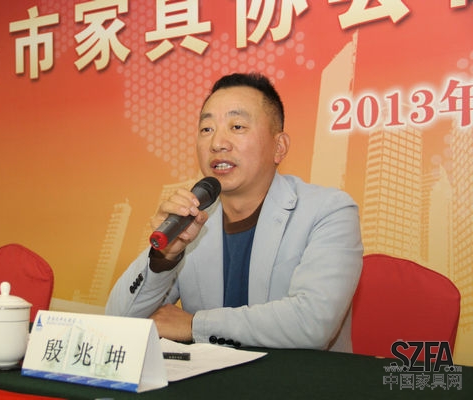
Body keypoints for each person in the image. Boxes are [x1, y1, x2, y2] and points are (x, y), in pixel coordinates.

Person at [105, 72, 363, 352]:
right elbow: (119, 320)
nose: (217, 143)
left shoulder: (329, 211)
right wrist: (163, 259)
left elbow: (312, 324)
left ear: (279, 147)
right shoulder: (191, 217)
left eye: (237, 126)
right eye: (207, 129)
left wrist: (194, 325)